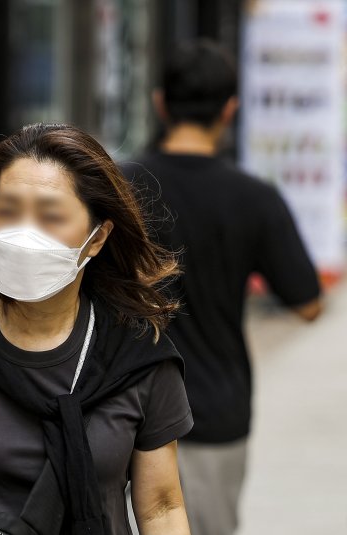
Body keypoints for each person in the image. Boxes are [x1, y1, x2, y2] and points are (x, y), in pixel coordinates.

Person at [0, 123, 194, 535]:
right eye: (8, 212)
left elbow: (161, 508)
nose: (24, 234)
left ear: (97, 237)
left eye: (50, 216)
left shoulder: (137, 357)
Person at [120, 40, 323, 535]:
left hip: (122, 407)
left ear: (159, 102)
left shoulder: (122, 188)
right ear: (230, 110)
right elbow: (309, 303)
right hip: (213, 409)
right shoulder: (254, 198)